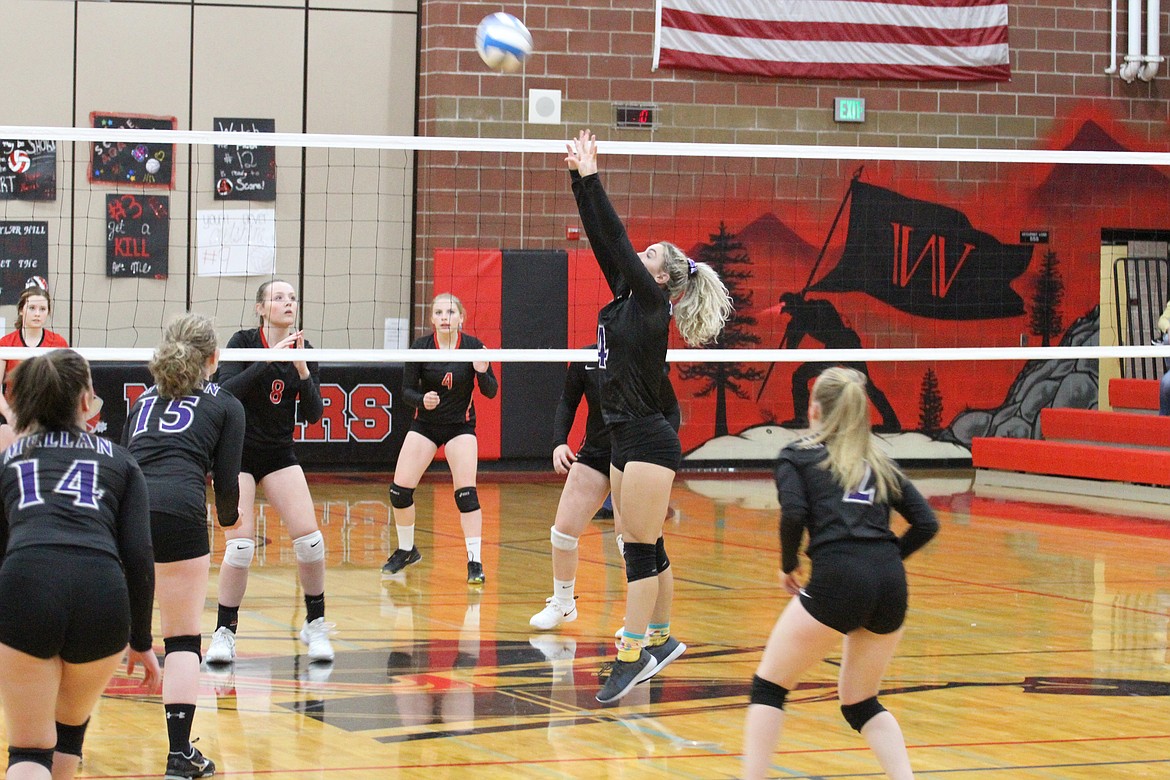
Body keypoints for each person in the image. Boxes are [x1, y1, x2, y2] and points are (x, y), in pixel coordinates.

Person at [565, 129, 732, 703]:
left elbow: (615, 234)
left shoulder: (655, 300)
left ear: (663, 277)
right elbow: (602, 241)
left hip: (647, 438)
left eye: (651, 255)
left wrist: (593, 177)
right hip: (622, 433)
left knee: (636, 546)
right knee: (641, 539)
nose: (641, 255)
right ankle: (661, 638)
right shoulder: (626, 298)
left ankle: (631, 654)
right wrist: (577, 180)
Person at [743, 367, 939, 779]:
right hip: (890, 585)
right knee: (860, 701)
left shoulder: (796, 455)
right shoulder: (879, 460)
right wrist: (883, 562)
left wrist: (787, 564)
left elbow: (794, 512)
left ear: (814, 409)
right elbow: (926, 523)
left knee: (769, 686)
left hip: (838, 579)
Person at [0, 349, 161, 780]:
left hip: (28, 583)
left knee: (29, 750)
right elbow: (140, 558)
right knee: (68, 735)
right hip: (101, 595)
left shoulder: (8, 460)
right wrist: (142, 640)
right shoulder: (121, 460)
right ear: (87, 399)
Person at [124, 313, 245, 779]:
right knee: (181, 639)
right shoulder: (226, 405)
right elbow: (228, 484)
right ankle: (179, 755)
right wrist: (230, 523)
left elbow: (120, 464)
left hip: (124, 513)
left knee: (99, 630)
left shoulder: (140, 403)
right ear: (214, 359)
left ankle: (56, 741)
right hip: (178, 514)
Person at [206, 280, 333, 666]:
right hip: (237, 454)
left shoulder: (303, 350)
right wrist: (265, 360)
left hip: (278, 453)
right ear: (261, 308)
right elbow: (223, 390)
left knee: (311, 541)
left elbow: (313, 415)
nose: (288, 303)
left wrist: (303, 371)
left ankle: (316, 623)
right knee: (240, 547)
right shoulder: (243, 342)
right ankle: (224, 632)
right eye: (279, 298)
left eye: (293, 297)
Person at [529, 348, 679, 631]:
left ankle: (641, 618)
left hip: (637, 455)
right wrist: (559, 442)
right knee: (562, 533)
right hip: (597, 453)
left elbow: (671, 409)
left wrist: (660, 454)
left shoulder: (644, 356)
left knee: (634, 543)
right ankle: (563, 603)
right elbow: (567, 403)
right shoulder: (587, 360)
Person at [382, 292, 498, 585]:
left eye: (450, 312)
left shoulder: (473, 347)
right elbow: (406, 391)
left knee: (466, 495)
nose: (445, 318)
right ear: (432, 318)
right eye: (439, 313)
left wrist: (483, 372)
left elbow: (491, 391)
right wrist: (422, 400)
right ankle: (407, 550)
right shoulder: (421, 347)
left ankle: (475, 561)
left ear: (461, 317)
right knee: (399, 492)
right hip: (426, 426)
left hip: (460, 427)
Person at [775, 291, 900, 432]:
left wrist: (794, 327)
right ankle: (892, 422)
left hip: (840, 345)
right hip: (844, 344)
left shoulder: (813, 310)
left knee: (799, 376)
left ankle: (802, 419)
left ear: (794, 306)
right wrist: (793, 328)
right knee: (865, 382)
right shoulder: (812, 310)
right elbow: (791, 349)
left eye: (790, 311)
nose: (790, 314)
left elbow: (794, 345)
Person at [0, 282, 69, 426]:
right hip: (14, 416)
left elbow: (66, 387)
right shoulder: (6, 343)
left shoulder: (58, 342)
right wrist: (9, 415)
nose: (37, 313)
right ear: (21, 310)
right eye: (32, 308)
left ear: (48, 312)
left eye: (42, 309)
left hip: (49, 417)